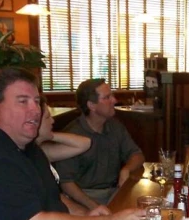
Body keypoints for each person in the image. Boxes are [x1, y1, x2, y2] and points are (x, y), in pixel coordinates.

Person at [0, 68, 143, 220]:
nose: (35, 110)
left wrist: (89, 216)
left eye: (36, 101)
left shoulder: (25, 146)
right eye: (23, 101)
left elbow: (55, 197)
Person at [55, 78, 145, 210]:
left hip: (115, 191)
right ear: (91, 105)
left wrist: (126, 169)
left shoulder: (114, 126)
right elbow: (66, 182)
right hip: (84, 197)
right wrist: (94, 207)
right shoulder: (72, 135)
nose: (114, 100)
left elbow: (137, 155)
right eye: (107, 97)